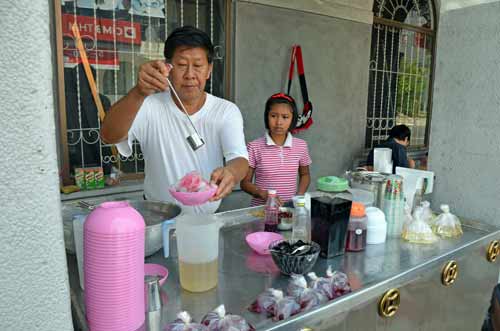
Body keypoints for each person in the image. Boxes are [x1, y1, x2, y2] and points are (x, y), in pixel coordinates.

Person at [101, 26, 249, 213]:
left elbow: (239, 158)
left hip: (207, 219)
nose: (189, 75)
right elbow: (108, 135)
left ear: (209, 70)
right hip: (159, 216)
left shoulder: (225, 111)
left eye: (197, 65)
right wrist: (138, 92)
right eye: (181, 65)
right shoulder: (147, 105)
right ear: (168, 67)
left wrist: (232, 173)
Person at [240, 93, 311, 206]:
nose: (279, 122)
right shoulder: (254, 147)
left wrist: (299, 195)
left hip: (289, 211)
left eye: (285, 117)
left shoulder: (301, 146)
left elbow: (305, 174)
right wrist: (262, 194)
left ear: (292, 119)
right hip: (261, 211)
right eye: (273, 116)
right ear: (266, 117)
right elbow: (244, 183)